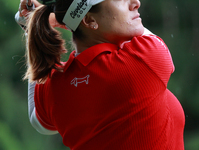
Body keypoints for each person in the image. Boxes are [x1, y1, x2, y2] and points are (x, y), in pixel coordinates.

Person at [15, 0, 185, 149]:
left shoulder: (56, 83)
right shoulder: (144, 60)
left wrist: (31, 27)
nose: (135, 3)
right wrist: (64, 21)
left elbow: (38, 120)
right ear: (89, 20)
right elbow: (143, 34)